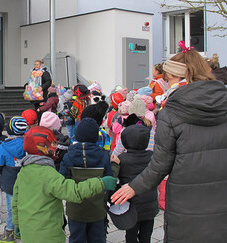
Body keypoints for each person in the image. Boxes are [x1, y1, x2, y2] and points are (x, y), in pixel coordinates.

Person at [111, 48, 227, 243]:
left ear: (183, 77)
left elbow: (161, 164)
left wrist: (132, 187)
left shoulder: (171, 111)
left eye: (170, 79)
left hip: (186, 202)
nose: (167, 85)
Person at [11, 121, 117, 243]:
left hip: (27, 231)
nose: (55, 147)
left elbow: (15, 200)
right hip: (49, 234)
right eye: (52, 143)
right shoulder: (48, 174)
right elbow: (72, 191)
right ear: (44, 147)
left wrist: (17, 223)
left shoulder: (23, 171)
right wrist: (101, 183)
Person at [59, 117, 113, 243]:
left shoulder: (68, 156)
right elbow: (109, 180)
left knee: (76, 238)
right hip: (97, 208)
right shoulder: (103, 157)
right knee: (97, 238)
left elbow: (62, 181)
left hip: (75, 209)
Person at [111, 125, 158, 243]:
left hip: (132, 207)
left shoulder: (122, 159)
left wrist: (114, 164)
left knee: (131, 236)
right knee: (146, 236)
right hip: (150, 205)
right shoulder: (152, 157)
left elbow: (114, 177)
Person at [0, 116, 28, 243]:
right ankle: (20, 230)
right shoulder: (28, 144)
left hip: (9, 181)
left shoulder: (3, 147)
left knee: (11, 207)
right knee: (23, 206)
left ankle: (9, 231)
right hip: (25, 181)